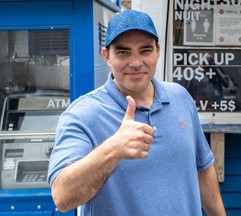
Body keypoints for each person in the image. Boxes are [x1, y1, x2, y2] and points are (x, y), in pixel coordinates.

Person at [48, 9, 226, 216]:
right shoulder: (83, 114)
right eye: (123, 52)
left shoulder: (180, 98)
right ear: (106, 56)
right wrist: (113, 149)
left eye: (145, 50)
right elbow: (62, 198)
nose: (135, 63)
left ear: (157, 51)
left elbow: (202, 168)